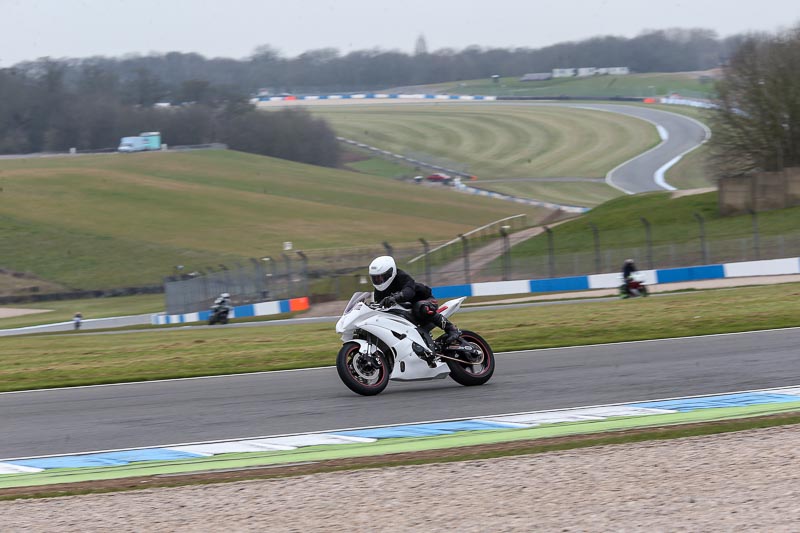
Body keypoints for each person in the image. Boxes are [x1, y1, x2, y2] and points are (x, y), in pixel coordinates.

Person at [368, 255, 461, 346]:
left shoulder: (402, 277)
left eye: (380, 277)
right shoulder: (378, 291)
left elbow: (409, 292)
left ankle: (451, 329)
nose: (378, 280)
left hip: (426, 301)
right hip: (407, 309)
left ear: (390, 273)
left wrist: (395, 298)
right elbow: (380, 306)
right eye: (375, 278)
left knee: (420, 307)